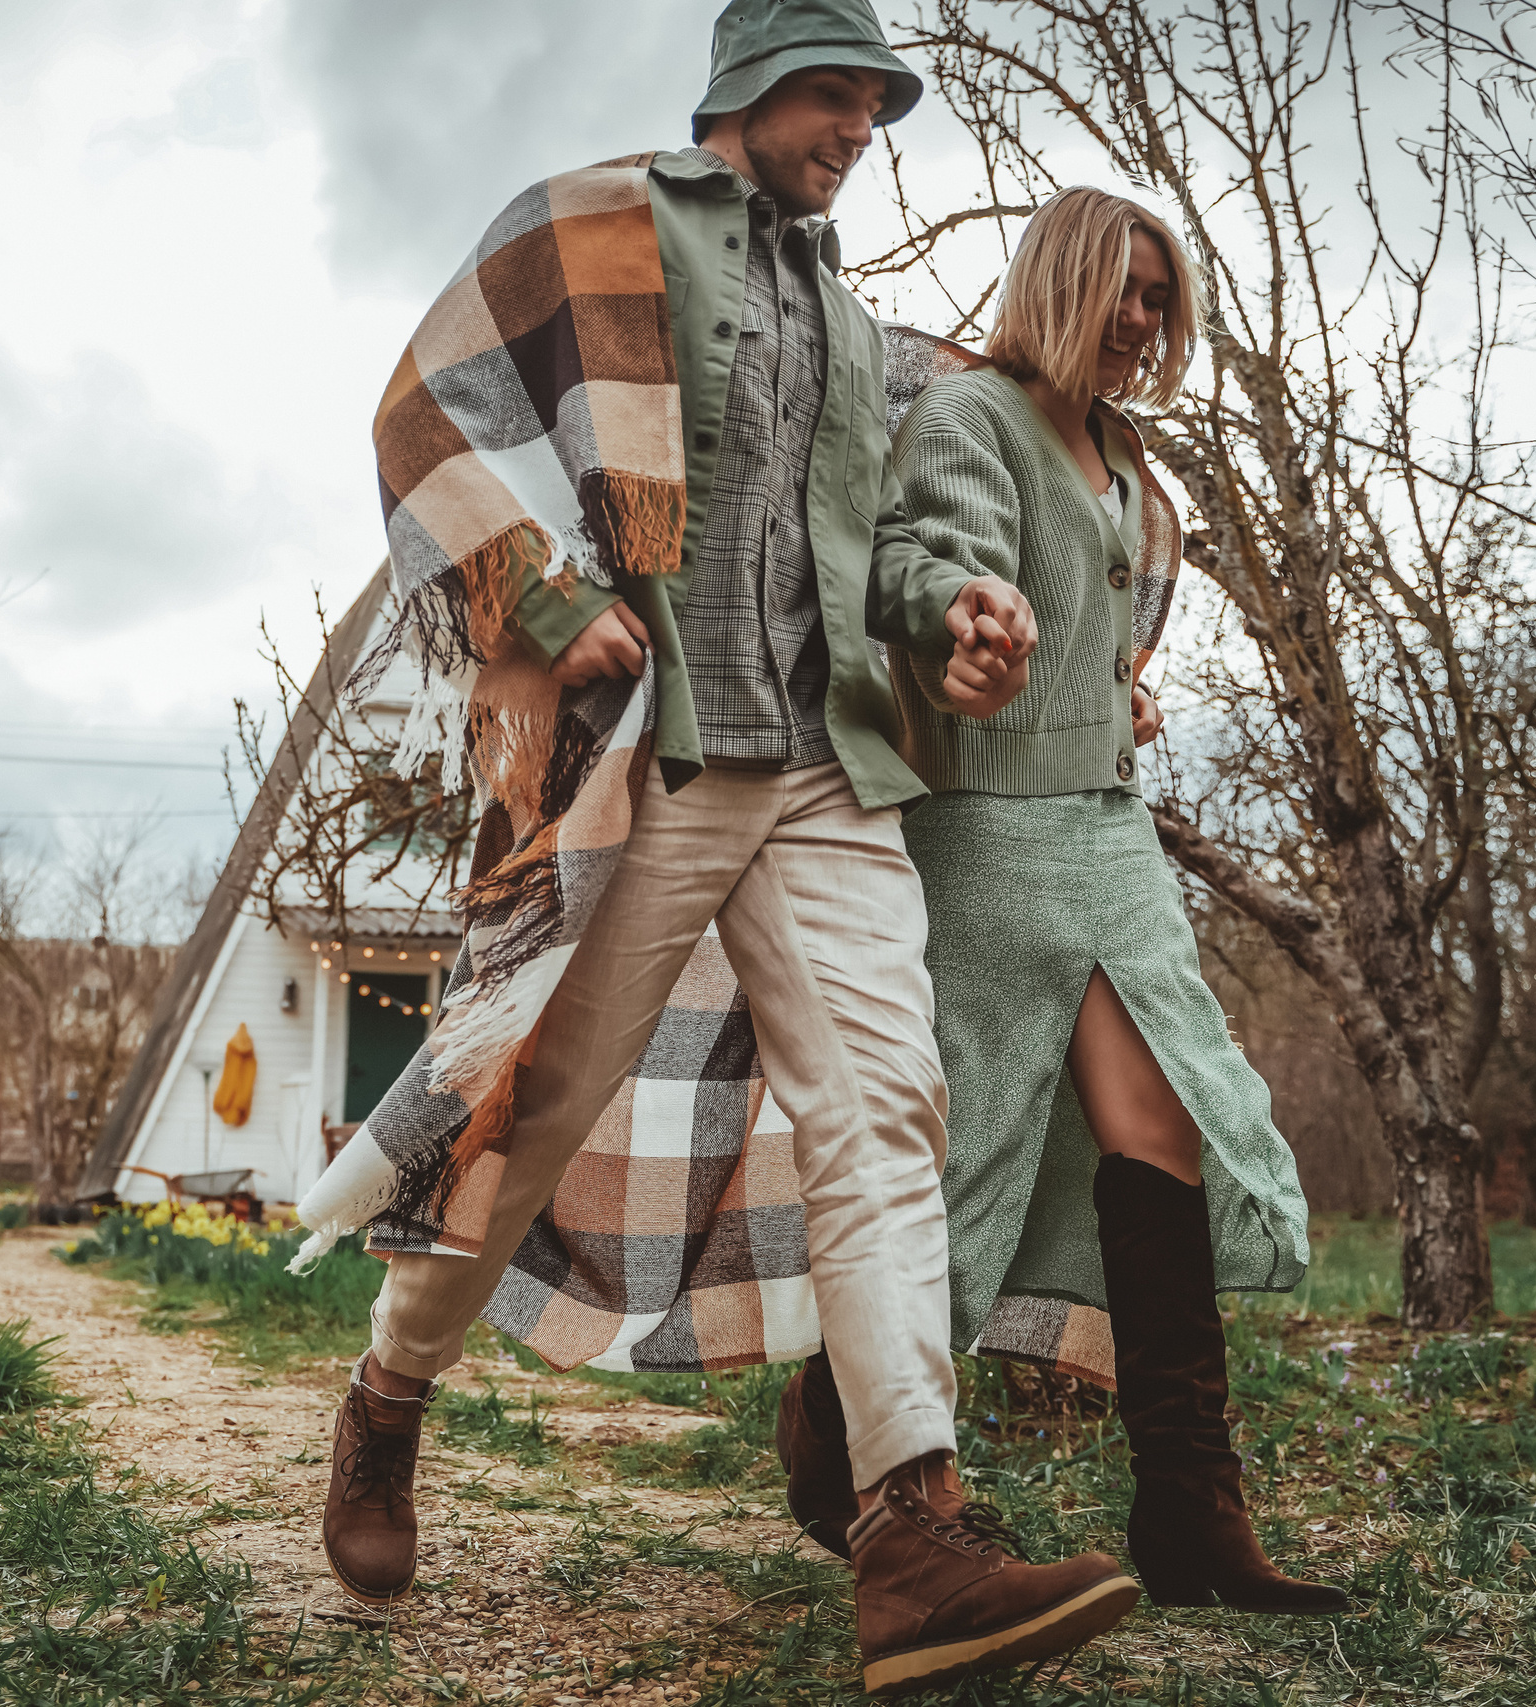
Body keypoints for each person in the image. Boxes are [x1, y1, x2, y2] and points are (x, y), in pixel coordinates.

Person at [318, 5, 1144, 1693]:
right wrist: (550, 599)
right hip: (666, 765)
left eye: (878, 104)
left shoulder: (854, 326)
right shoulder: (592, 221)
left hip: (831, 769)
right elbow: (424, 408)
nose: (863, 126)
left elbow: (885, 553)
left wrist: (962, 611)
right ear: (754, 87)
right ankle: (387, 1396)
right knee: (536, 1107)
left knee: (886, 1104)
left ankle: (912, 1524)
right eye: (838, 94)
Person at [793, 184, 1348, 1614]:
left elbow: (1084, 622)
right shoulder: (975, 420)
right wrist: (969, 623)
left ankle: (1190, 1513)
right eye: (1122, 290)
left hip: (1106, 837)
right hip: (986, 839)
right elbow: (929, 562)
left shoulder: (1118, 454)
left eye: (1162, 299)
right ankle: (840, 1427)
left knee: (1167, 1124)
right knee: (963, 1160)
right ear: (1059, 283)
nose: (1143, 321)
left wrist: (1113, 696)